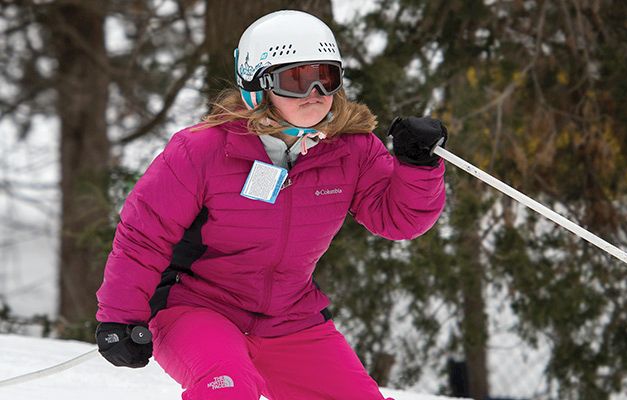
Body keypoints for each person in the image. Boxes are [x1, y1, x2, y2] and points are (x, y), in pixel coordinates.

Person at [94, 9, 447, 400]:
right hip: (196, 307)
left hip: (290, 316)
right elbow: (144, 236)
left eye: (325, 77)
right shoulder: (203, 150)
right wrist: (120, 315)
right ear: (257, 85)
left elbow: (398, 219)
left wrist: (416, 166)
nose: (315, 94)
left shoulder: (352, 149)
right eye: (295, 80)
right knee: (228, 387)